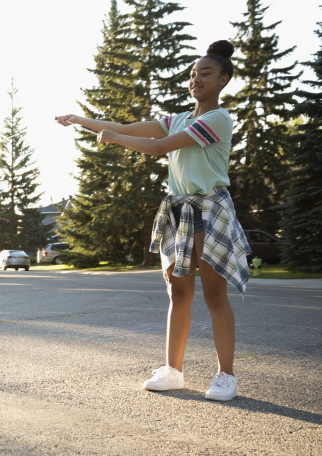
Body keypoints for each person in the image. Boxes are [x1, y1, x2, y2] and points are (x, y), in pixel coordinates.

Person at [55, 40, 249, 402]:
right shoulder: (177, 118)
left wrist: (114, 139)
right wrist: (82, 120)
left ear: (224, 79)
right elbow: (125, 126)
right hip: (180, 211)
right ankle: (173, 370)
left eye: (205, 73)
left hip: (210, 209)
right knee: (179, 291)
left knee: (214, 293)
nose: (197, 79)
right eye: (193, 74)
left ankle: (226, 375)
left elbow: (161, 147)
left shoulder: (217, 119)